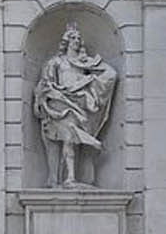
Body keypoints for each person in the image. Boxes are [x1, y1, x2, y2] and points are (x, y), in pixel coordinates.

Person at [31, 22, 118, 188]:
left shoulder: (85, 64)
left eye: (79, 38)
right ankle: (69, 177)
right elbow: (45, 84)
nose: (77, 41)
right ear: (67, 41)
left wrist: (91, 69)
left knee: (72, 139)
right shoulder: (55, 62)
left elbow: (111, 74)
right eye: (74, 38)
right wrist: (52, 95)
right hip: (62, 104)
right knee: (69, 138)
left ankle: (73, 175)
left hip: (81, 105)